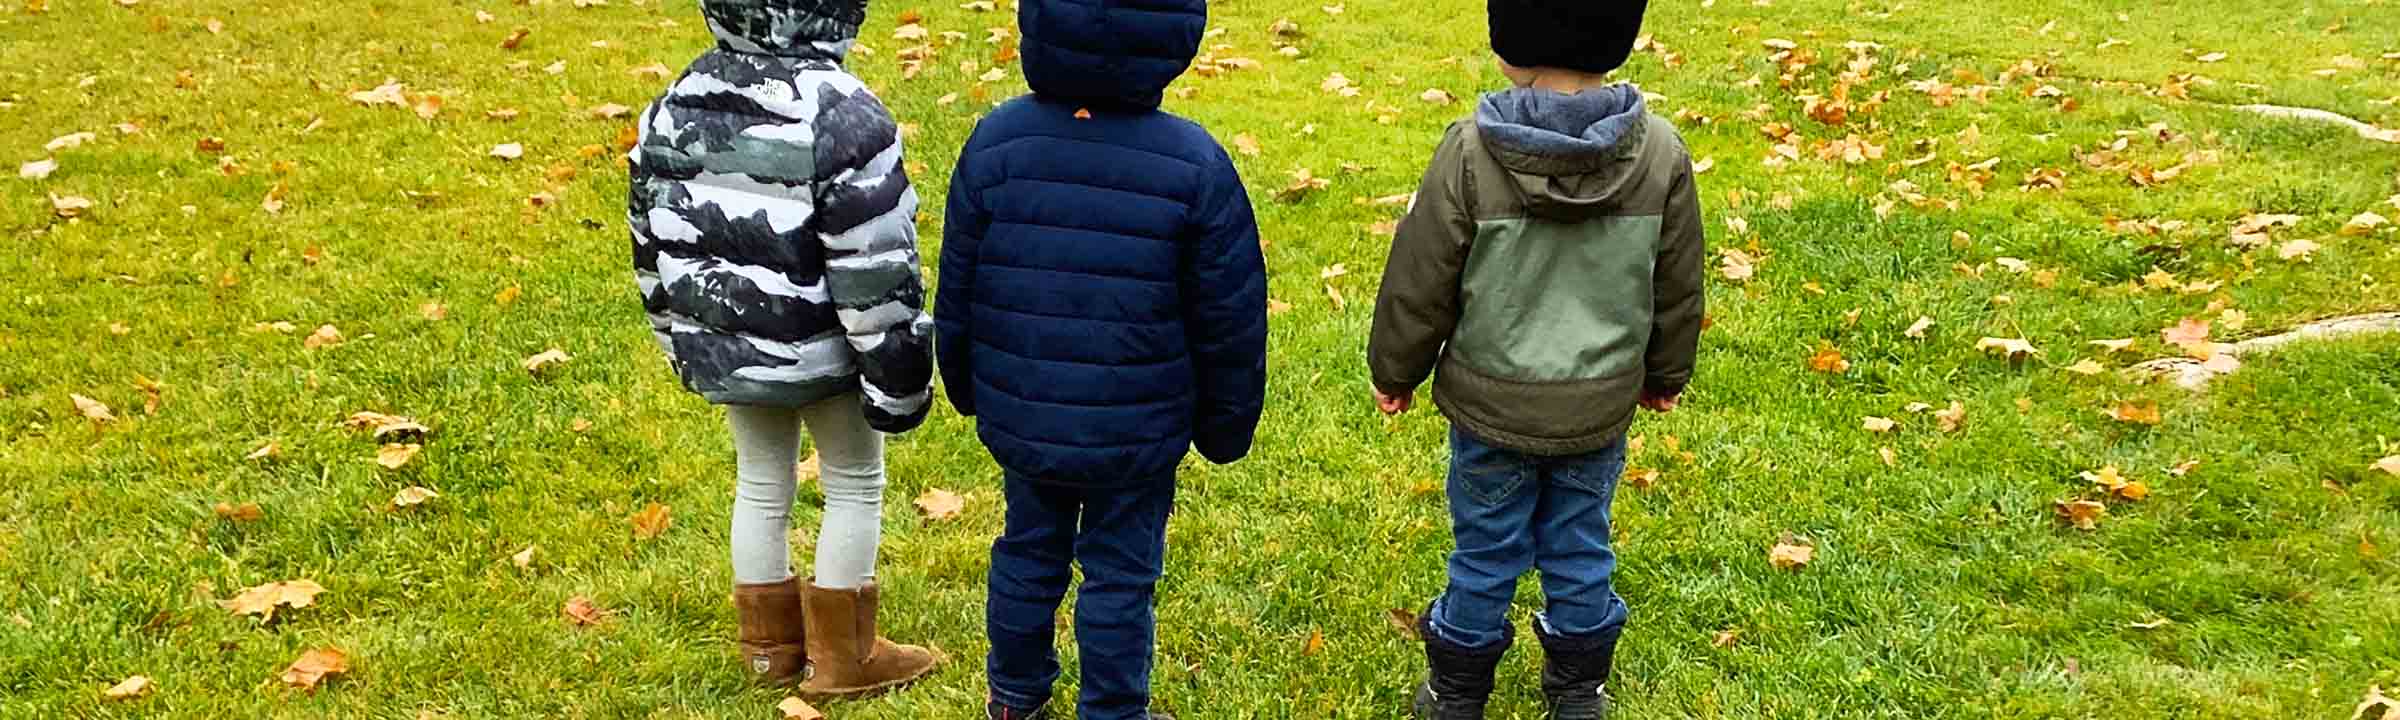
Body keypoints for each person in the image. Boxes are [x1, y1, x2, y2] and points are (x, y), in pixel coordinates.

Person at [1366, 1, 1705, 717]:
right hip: (1597, 406)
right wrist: (1666, 374)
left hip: (1491, 408)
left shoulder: (1469, 150)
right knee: (1580, 545)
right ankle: (1579, 691)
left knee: (1485, 550)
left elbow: (1422, 278)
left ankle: (1457, 691)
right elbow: (1678, 284)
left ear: (1509, 45)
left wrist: (1396, 370)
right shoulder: (1661, 152)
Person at [933, 0, 1267, 716]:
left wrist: (963, 382)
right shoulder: (1195, 164)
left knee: (1028, 551)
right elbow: (1230, 318)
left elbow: (957, 285)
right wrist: (1226, 424)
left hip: (1026, 415)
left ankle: (1014, 692)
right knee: (1120, 574)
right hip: (1137, 432)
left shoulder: (997, 143)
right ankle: (1112, 709)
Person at [626, 0, 939, 698]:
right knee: (854, 480)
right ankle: (845, 659)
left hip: (730, 344)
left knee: (761, 480)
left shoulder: (677, 99)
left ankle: (768, 652)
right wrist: (897, 377)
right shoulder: (843, 113)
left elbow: (650, 239)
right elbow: (875, 263)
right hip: (826, 352)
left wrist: (677, 336)